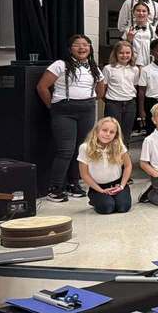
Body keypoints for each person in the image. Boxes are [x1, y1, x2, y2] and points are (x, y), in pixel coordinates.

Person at [37, 35, 106, 201]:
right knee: (65, 150)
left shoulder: (93, 67)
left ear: (90, 48)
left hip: (87, 109)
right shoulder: (60, 65)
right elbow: (42, 87)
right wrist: (52, 106)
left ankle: (74, 184)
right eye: (77, 45)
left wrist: (90, 99)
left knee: (81, 149)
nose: (82, 48)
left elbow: (101, 89)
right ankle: (55, 188)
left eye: (85, 45)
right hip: (64, 111)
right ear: (70, 49)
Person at [78, 117, 132, 215]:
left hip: (117, 184)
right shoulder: (85, 147)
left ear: (116, 135)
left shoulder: (119, 146)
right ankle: (96, 199)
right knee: (107, 208)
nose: (107, 134)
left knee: (123, 207)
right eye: (104, 130)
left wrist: (122, 185)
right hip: (98, 187)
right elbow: (84, 174)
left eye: (112, 132)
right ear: (97, 131)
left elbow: (128, 166)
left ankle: (117, 197)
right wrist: (101, 190)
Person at [102, 41, 139, 141]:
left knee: (126, 133)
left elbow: (134, 86)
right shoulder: (108, 68)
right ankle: (111, 155)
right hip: (113, 104)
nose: (124, 55)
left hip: (130, 103)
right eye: (121, 53)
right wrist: (109, 101)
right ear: (116, 54)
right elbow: (103, 88)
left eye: (128, 53)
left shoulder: (134, 69)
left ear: (131, 54)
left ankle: (124, 155)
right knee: (112, 132)